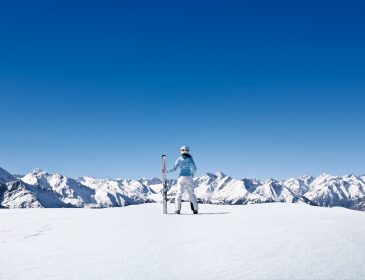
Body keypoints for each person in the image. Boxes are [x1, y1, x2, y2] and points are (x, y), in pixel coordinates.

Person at [167, 146, 198, 214]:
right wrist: (192, 175)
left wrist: (166, 171)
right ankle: (195, 209)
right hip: (189, 177)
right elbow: (194, 168)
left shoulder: (179, 159)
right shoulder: (190, 158)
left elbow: (174, 169)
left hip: (181, 178)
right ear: (188, 151)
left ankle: (177, 209)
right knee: (191, 194)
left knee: (179, 193)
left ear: (181, 151)